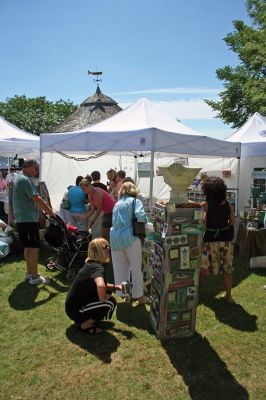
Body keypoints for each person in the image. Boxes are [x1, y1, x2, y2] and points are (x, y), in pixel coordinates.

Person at [13, 159, 55, 285]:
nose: (37, 171)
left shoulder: (20, 178)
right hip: (28, 219)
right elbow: (37, 199)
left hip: (22, 219)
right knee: (34, 248)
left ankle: (30, 272)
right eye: (36, 168)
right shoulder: (25, 180)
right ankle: (34, 276)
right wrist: (50, 212)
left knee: (28, 247)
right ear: (28, 166)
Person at [65, 238, 120, 334]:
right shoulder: (97, 267)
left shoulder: (90, 264)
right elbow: (101, 286)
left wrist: (116, 287)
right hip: (77, 312)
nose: (108, 249)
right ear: (99, 251)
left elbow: (101, 284)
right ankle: (86, 325)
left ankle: (90, 318)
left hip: (72, 309)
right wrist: (103, 299)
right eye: (106, 247)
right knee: (110, 302)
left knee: (109, 294)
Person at [110, 182, 149, 305]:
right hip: (130, 237)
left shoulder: (117, 204)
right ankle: (140, 297)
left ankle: (126, 295)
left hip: (115, 238)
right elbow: (141, 216)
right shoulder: (135, 201)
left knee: (120, 270)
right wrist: (147, 221)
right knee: (136, 268)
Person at [200, 176, 236, 304]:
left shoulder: (206, 205)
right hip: (226, 241)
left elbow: (204, 225)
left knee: (203, 269)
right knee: (227, 270)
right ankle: (229, 296)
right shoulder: (227, 204)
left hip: (210, 241)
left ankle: (196, 294)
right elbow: (232, 221)